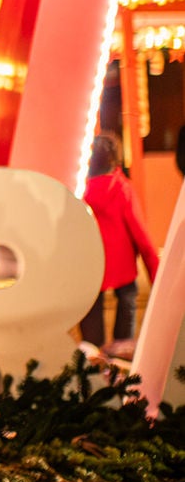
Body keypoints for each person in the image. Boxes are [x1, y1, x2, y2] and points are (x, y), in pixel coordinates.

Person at [80, 131, 158, 361]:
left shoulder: (80, 191)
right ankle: (121, 353)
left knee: (92, 306)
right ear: (115, 159)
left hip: (91, 265)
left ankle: (92, 352)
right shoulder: (122, 188)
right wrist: (155, 272)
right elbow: (140, 233)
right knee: (127, 300)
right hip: (122, 265)